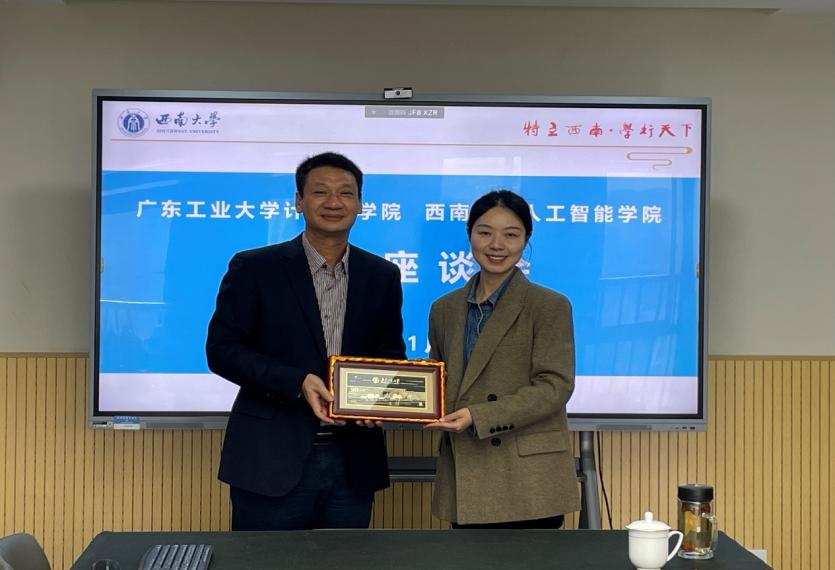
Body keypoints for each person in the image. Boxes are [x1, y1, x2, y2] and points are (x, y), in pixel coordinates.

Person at [206, 152, 406, 530]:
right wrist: (297, 382)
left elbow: (390, 354)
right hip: (270, 459)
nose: (334, 202)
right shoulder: (254, 268)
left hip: (353, 461)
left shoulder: (382, 275)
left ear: (360, 204)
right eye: (320, 192)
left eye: (345, 193)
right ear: (299, 201)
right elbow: (222, 351)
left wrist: (380, 398)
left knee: (346, 558)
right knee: (266, 559)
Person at [425, 189, 580, 528]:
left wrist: (478, 415)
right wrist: (385, 402)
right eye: (485, 232)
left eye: (511, 234)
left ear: (526, 239)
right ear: (470, 235)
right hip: (466, 470)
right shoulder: (444, 309)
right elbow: (437, 382)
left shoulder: (549, 306)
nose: (497, 245)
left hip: (528, 477)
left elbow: (554, 387)